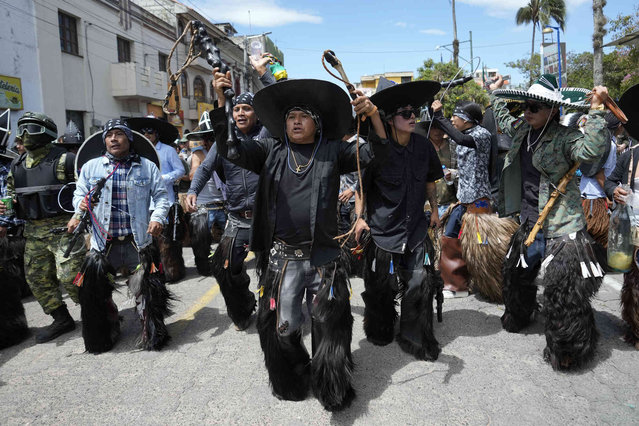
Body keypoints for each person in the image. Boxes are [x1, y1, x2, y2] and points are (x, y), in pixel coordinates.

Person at [212, 71, 385, 410]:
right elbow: (231, 148)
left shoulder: (334, 151)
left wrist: (373, 115)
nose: (295, 121)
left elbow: (372, 155)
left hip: (325, 257)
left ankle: (332, 384)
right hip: (283, 260)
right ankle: (294, 375)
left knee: (329, 326)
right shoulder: (269, 149)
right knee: (283, 328)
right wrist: (222, 101)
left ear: (317, 123)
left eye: (303, 116)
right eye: (290, 116)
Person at [491, 74, 610, 370]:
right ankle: (520, 315)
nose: (527, 110)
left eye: (534, 106)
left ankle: (568, 348)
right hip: (529, 219)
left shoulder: (565, 137)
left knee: (563, 292)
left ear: (552, 111)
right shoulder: (522, 129)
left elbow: (592, 151)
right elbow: (503, 116)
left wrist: (596, 111)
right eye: (525, 105)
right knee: (515, 274)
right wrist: (494, 92)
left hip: (562, 223)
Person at [353, 77, 443, 361]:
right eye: (406, 114)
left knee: (419, 284)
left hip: (416, 230)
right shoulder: (374, 151)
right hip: (383, 233)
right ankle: (380, 328)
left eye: (413, 112)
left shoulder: (424, 147)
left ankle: (414, 337)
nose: (412, 117)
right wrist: (359, 219)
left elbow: (430, 182)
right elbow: (361, 189)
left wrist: (436, 210)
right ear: (390, 120)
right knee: (381, 287)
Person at [68, 119, 172, 353]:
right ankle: (107, 329)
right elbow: (78, 196)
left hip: (138, 242)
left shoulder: (147, 167)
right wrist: (81, 206)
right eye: (109, 135)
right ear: (104, 140)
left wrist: (157, 217)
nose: (113, 138)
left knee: (149, 291)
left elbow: (161, 197)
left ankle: (151, 333)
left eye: (119, 134)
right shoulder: (91, 167)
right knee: (95, 292)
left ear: (129, 138)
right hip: (103, 245)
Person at [0, 112, 84, 344]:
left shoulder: (65, 160)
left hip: (64, 228)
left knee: (70, 277)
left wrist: (78, 216)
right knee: (37, 279)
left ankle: (98, 309)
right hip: (33, 231)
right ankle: (61, 318)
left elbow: (84, 193)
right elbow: (10, 196)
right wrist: (8, 206)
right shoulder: (16, 165)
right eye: (22, 129)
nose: (26, 134)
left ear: (46, 132)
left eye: (32, 128)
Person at [186, 93, 261, 331]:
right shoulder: (223, 141)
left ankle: (275, 312)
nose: (240, 113)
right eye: (236, 109)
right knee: (225, 268)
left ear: (256, 113)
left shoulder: (268, 136)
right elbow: (205, 168)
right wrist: (193, 190)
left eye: (246, 108)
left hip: (269, 220)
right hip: (238, 219)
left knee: (274, 273)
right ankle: (243, 306)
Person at [432, 100, 518, 302]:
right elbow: (470, 163)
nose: (453, 120)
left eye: (455, 116)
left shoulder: (481, 135)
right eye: (451, 117)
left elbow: (460, 140)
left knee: (482, 246)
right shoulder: (465, 136)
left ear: (467, 119)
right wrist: (456, 173)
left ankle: (491, 284)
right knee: (450, 237)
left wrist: (439, 115)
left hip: (479, 201)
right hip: (462, 200)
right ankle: (456, 285)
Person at [128, 115, 186, 282]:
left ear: (156, 134)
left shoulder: (167, 151)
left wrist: (163, 178)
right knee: (147, 243)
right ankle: (152, 272)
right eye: (143, 132)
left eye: (150, 131)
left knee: (166, 242)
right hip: (143, 205)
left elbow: (180, 170)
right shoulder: (135, 153)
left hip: (163, 202)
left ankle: (172, 272)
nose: (146, 134)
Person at [604, 83, 639, 349]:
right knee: (633, 283)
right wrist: (613, 190)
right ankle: (635, 326)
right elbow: (610, 180)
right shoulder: (630, 155)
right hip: (633, 232)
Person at [183, 111, 228, 276]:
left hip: (224, 204)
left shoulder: (226, 150)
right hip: (205, 206)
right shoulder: (197, 154)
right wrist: (204, 161)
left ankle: (226, 264)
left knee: (231, 239)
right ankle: (204, 267)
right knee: (201, 241)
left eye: (212, 137)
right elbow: (193, 176)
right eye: (206, 138)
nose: (209, 141)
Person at [0, 108, 29, 349]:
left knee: (7, 282)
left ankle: (14, 329)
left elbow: (11, 195)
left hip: (10, 228)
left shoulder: (10, 165)